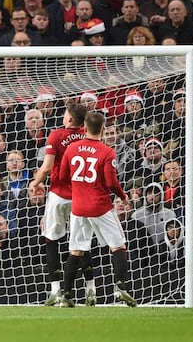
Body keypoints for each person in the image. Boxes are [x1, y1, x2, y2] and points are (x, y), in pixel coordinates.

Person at [57, 111, 137, 308]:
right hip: (100, 206)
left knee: (76, 250)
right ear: (102, 129)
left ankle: (66, 294)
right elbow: (111, 181)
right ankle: (120, 288)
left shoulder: (72, 148)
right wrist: (124, 197)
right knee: (118, 246)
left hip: (78, 207)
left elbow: (64, 176)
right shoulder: (107, 151)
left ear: (84, 128)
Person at [27, 103, 94, 306]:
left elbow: (46, 167)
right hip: (81, 195)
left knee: (51, 239)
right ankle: (90, 289)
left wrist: (35, 182)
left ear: (70, 119)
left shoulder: (56, 135)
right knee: (80, 242)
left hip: (58, 195)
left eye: (65, 114)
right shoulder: (88, 135)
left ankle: (55, 290)